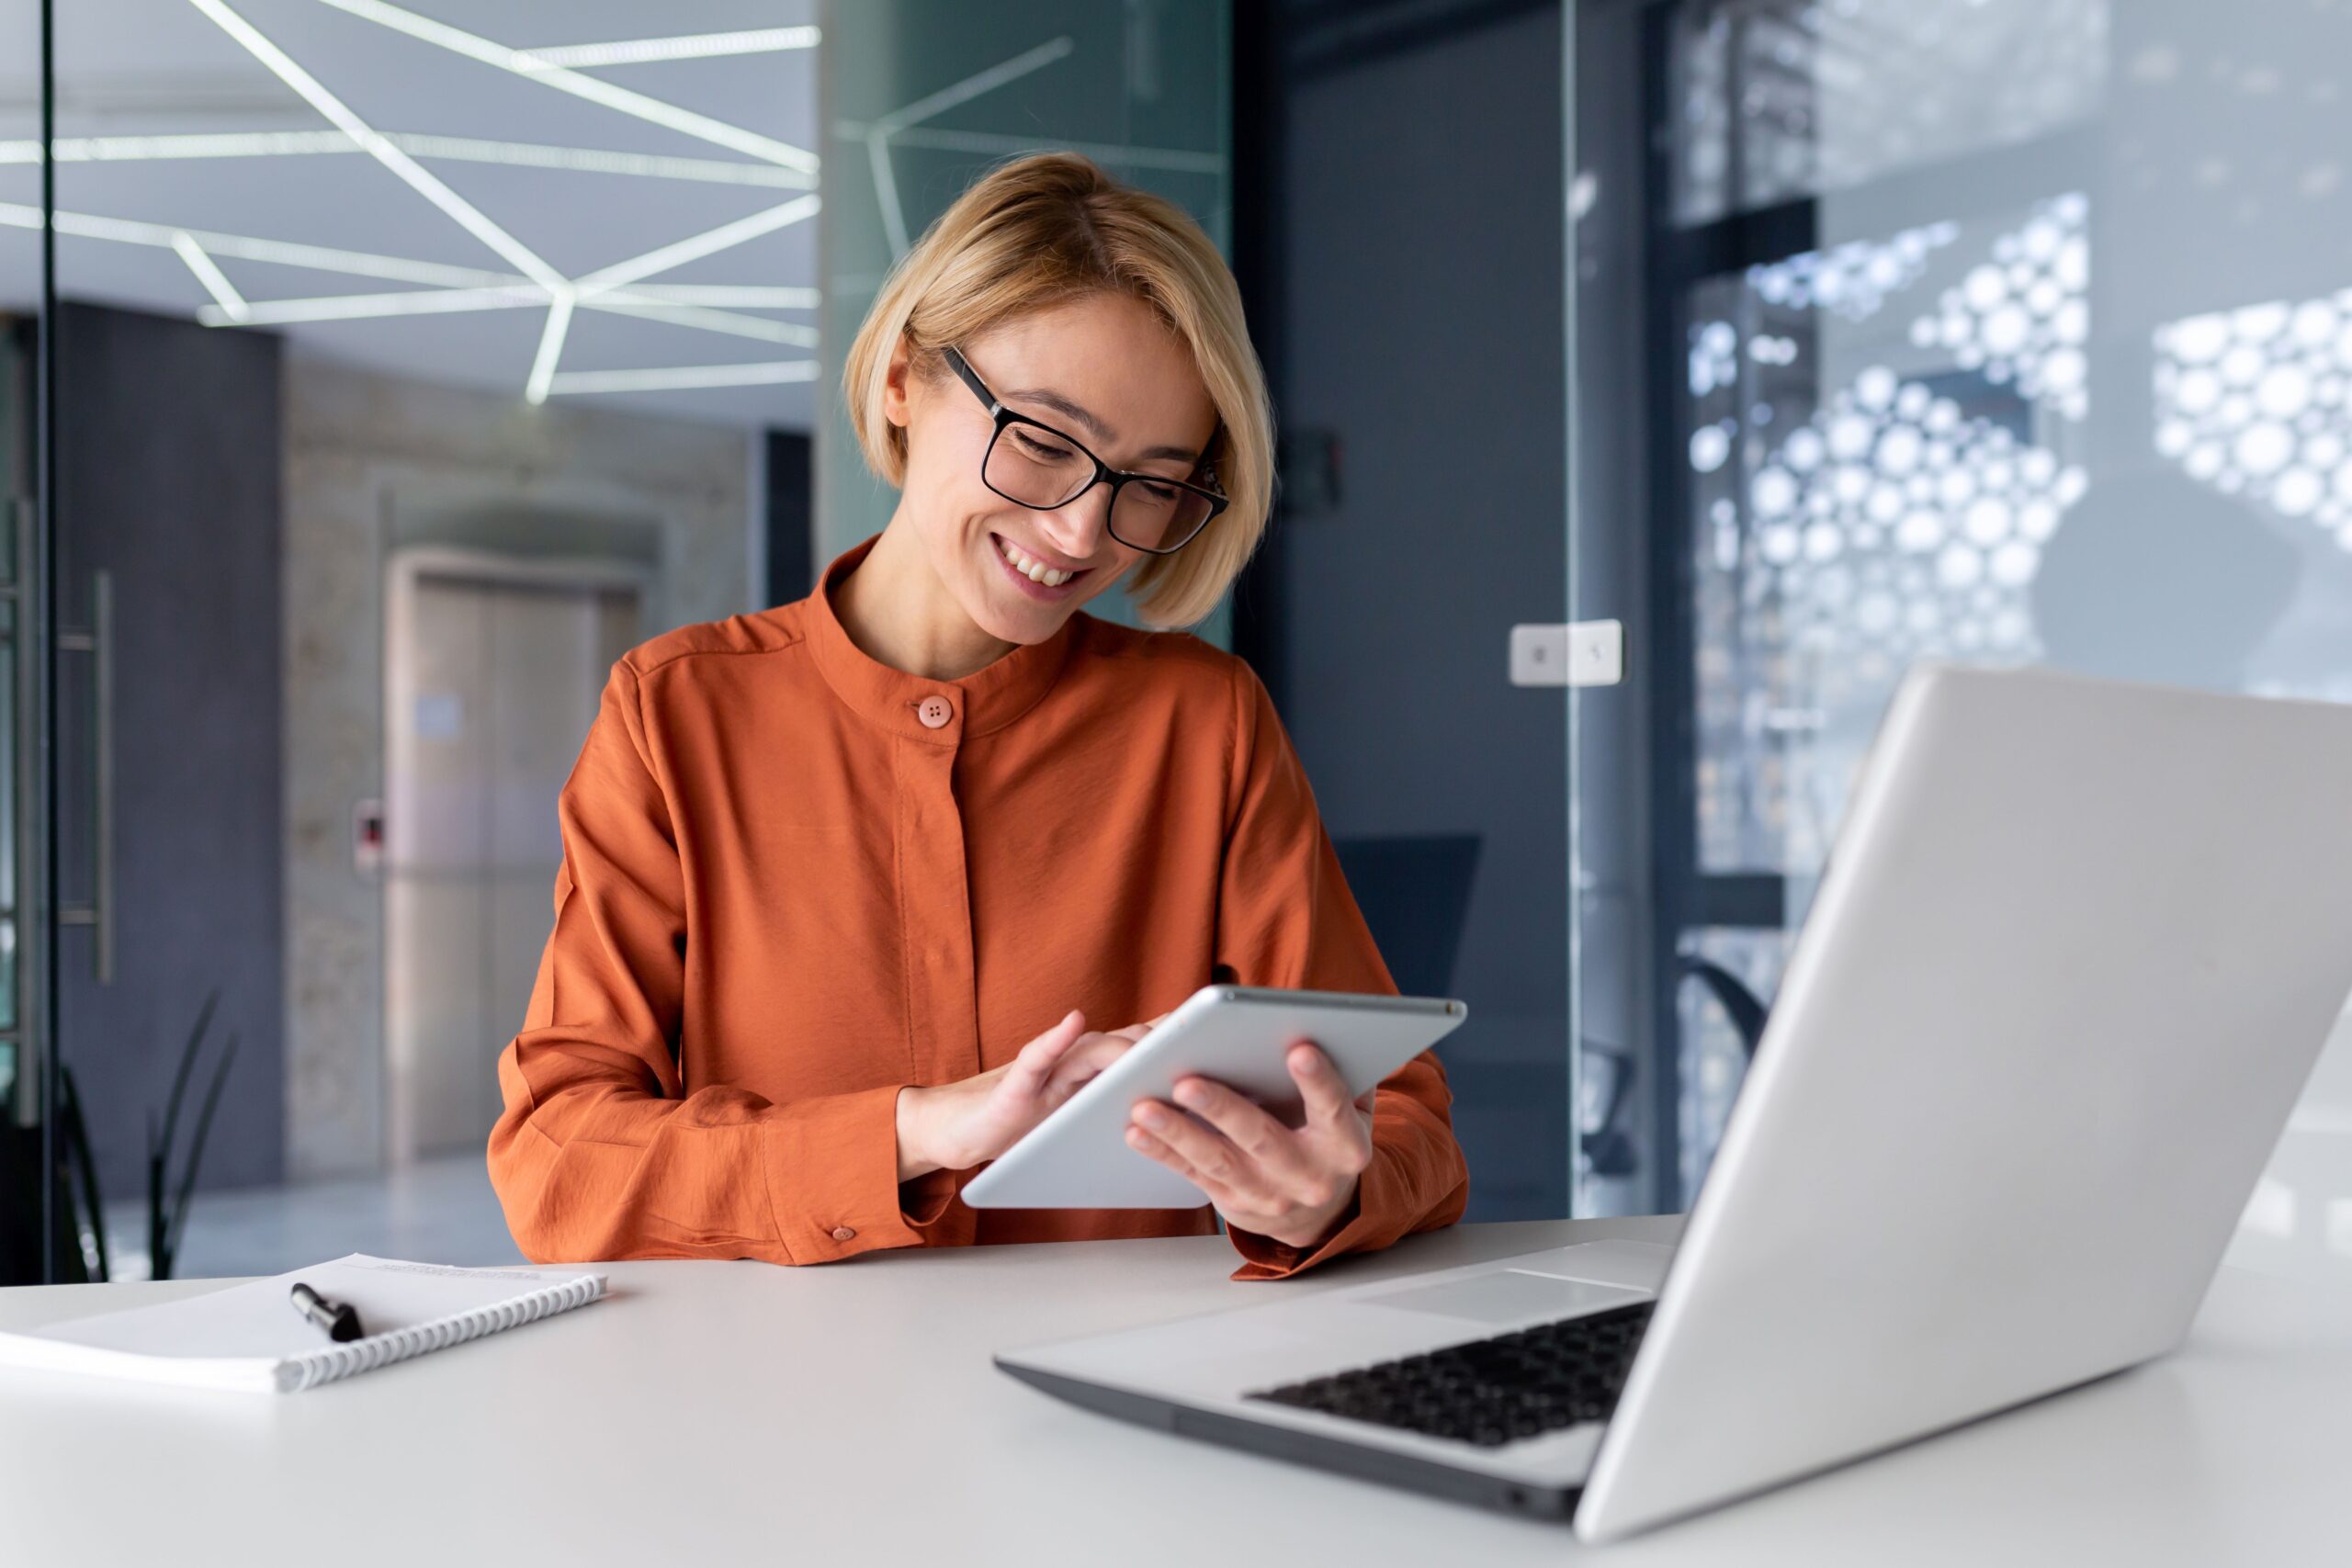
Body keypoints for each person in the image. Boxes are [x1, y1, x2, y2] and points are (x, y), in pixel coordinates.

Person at [487, 152, 1468, 1280]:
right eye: (1044, 442)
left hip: (1110, 1415)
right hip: (769, 1428)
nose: (1080, 533)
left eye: (1152, 483)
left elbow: (1404, 1118)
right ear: (904, 377)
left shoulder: (1204, 726)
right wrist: (918, 1128)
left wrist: (1322, 1197)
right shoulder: (674, 717)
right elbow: (558, 1164)